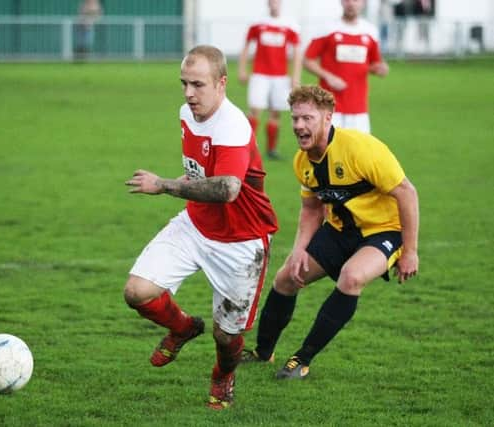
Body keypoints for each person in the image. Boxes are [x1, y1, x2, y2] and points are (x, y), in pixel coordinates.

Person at [124, 45, 278, 409]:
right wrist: (179, 185)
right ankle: (182, 327)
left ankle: (223, 375)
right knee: (137, 292)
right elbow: (199, 173)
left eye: (198, 84)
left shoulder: (233, 125)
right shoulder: (186, 113)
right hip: (195, 223)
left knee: (227, 337)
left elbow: (227, 188)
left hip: (242, 240)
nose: (189, 93)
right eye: (184, 84)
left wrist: (163, 185)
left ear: (222, 83)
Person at [241, 85, 419, 381]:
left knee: (352, 277)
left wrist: (410, 251)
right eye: (295, 119)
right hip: (338, 231)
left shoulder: (360, 148)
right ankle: (263, 352)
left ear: (328, 118)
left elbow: (407, 193)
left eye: (307, 118)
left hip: (383, 230)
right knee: (286, 277)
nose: (299, 126)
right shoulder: (302, 162)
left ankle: (302, 359)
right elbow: (311, 208)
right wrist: (299, 250)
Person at [302, 0, 388, 133]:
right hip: (330, 105)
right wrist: (328, 76)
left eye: (356, 0)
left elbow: (374, 63)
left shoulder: (370, 31)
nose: (351, 4)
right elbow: (307, 60)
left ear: (363, 3)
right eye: (347, 0)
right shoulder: (328, 29)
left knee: (359, 151)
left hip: (359, 107)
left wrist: (380, 69)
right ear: (341, 2)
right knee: (329, 150)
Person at [238, 0, 302, 160]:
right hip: (259, 74)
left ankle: (271, 150)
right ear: (268, 3)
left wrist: (295, 75)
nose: (274, 4)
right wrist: (242, 69)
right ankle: (247, 147)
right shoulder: (258, 23)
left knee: (275, 112)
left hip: (280, 76)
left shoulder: (290, 24)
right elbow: (246, 47)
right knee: (255, 110)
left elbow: (296, 52)